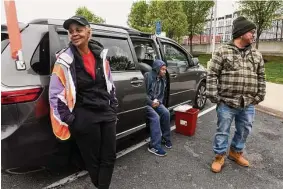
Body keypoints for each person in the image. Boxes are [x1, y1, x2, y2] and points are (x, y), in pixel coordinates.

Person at [49, 16, 118, 188]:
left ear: (89, 31)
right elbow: (55, 95)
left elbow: (109, 82)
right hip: (84, 115)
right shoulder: (64, 61)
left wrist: (113, 106)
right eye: (71, 31)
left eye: (78, 30)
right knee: (92, 161)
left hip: (105, 112)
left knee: (109, 157)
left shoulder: (101, 56)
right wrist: (72, 120)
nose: (74, 34)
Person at [206, 16, 266, 173]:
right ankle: (219, 156)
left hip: (248, 103)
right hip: (226, 102)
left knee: (245, 129)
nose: (254, 34)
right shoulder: (222, 52)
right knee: (223, 130)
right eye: (251, 32)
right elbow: (212, 74)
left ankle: (235, 152)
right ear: (241, 33)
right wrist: (214, 96)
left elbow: (261, 76)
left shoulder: (256, 54)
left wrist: (259, 95)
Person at [144, 59, 172, 157]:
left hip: (155, 102)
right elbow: (143, 94)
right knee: (155, 117)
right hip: (146, 103)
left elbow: (161, 95)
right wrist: (151, 103)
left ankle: (165, 138)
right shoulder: (148, 76)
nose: (165, 71)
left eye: (165, 70)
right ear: (157, 69)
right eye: (163, 69)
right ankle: (154, 146)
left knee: (166, 113)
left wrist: (158, 102)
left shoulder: (162, 80)